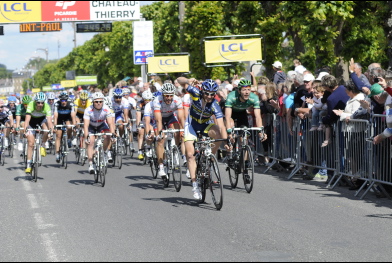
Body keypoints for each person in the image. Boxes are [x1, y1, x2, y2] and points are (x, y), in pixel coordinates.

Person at [177, 78, 227, 200]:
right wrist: (188, 80)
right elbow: (180, 80)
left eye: (212, 94)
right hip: (191, 125)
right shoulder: (195, 93)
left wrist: (226, 141)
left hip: (205, 124)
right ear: (202, 91)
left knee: (219, 134)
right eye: (206, 93)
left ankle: (211, 158)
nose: (209, 96)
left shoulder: (215, 105)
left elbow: (221, 125)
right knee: (190, 155)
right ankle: (195, 185)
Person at [153, 83, 185, 179]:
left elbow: (181, 117)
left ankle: (174, 149)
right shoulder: (157, 100)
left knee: (178, 130)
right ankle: (161, 166)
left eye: (171, 95)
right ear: (163, 95)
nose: (169, 98)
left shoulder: (177, 100)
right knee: (161, 141)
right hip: (160, 119)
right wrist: (160, 133)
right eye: (167, 95)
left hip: (170, 117)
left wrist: (183, 130)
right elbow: (158, 120)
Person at [84, 92, 116, 174]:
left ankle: (104, 153)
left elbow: (110, 123)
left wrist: (113, 134)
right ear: (93, 102)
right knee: (91, 142)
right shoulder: (88, 110)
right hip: (91, 126)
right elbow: (86, 125)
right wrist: (86, 136)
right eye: (96, 102)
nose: (98, 103)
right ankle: (91, 164)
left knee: (107, 136)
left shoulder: (106, 109)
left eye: (100, 101)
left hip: (101, 125)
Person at [23, 92, 53, 174]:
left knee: (46, 129)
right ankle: (28, 165)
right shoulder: (31, 105)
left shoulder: (47, 106)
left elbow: (49, 121)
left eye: (42, 102)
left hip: (41, 120)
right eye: (38, 102)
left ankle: (43, 145)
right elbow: (27, 120)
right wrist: (25, 130)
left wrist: (51, 131)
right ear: (35, 101)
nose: (40, 104)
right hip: (31, 122)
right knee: (30, 143)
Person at [53, 92, 77, 163]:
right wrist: (55, 125)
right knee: (58, 136)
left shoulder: (71, 104)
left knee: (69, 127)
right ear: (60, 100)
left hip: (67, 118)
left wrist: (74, 125)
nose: (64, 102)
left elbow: (73, 116)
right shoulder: (57, 104)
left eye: (65, 100)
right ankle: (57, 153)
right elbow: (55, 116)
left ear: (67, 100)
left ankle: (69, 139)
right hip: (59, 119)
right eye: (62, 100)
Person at [136, 90, 154, 160]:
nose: (148, 101)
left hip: (151, 119)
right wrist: (138, 125)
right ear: (143, 99)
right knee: (141, 132)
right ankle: (140, 151)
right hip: (143, 119)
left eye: (149, 100)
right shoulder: (139, 103)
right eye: (146, 100)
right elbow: (138, 115)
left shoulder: (153, 103)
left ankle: (150, 147)